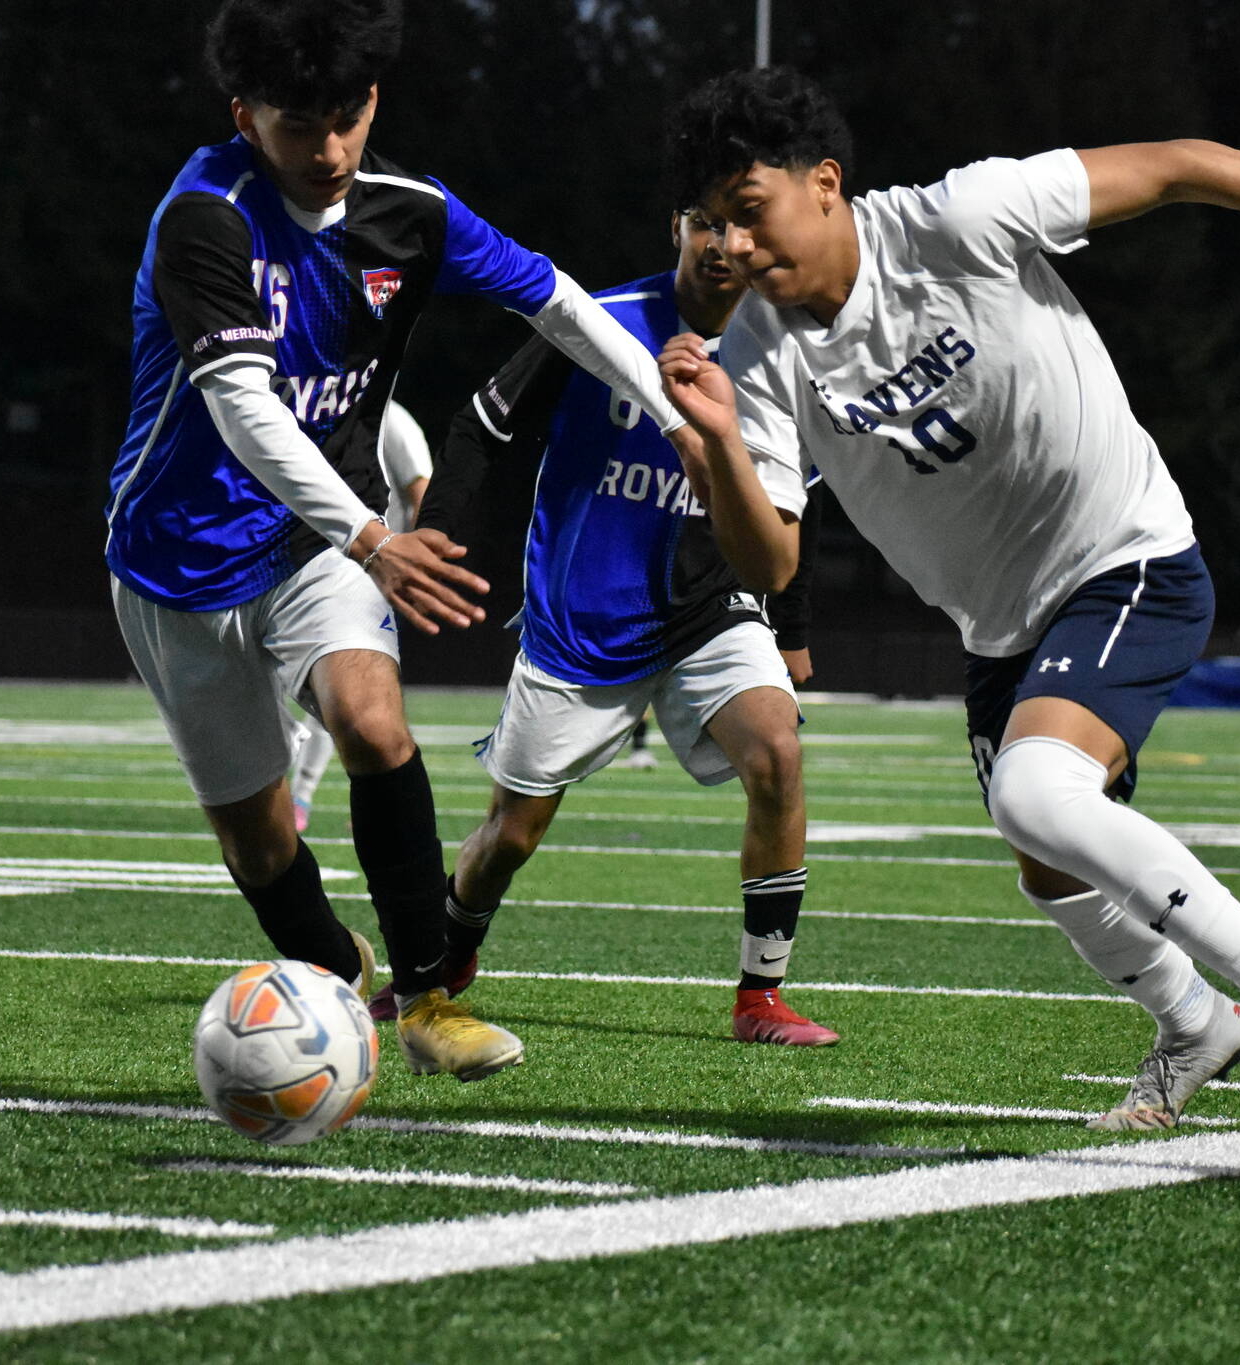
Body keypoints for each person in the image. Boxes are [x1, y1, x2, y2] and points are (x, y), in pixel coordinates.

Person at [656, 67, 1240, 1126]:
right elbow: (770, 568)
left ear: (826, 184)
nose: (738, 248)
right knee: (1050, 864)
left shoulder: (959, 219)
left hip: (1124, 558)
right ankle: (1192, 1025)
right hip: (1001, 630)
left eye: (750, 213)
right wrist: (713, 445)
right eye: (716, 225)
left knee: (1034, 793)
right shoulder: (753, 354)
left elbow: (1173, 169)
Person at [104, 0, 689, 1083]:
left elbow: (554, 300)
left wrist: (673, 413)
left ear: (371, 100)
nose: (326, 151)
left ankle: (426, 999)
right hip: (174, 568)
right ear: (244, 115)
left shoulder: (406, 212)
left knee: (373, 724)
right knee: (260, 843)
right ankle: (337, 970)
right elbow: (243, 407)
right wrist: (376, 536)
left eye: (344, 118)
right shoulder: (204, 220)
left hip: (306, 545)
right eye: (294, 126)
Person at [399, 208, 837, 1046]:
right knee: (512, 833)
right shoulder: (598, 324)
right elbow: (481, 426)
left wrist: (791, 621)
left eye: (737, 226)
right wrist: (439, 530)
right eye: (703, 223)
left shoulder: (783, 351)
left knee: (777, 750)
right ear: (675, 225)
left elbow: (794, 498)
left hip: (710, 605)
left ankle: (760, 999)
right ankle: (451, 956)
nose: (719, 245)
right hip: (582, 614)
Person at [289, 397, 432, 832]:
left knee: (345, 697)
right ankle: (362, 793)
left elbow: (420, 494)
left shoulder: (393, 419)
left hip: (368, 571)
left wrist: (416, 566)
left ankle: (308, 794)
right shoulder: (310, 402)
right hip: (300, 561)